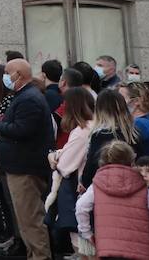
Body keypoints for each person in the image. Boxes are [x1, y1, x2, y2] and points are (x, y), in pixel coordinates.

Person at [0, 58, 54, 260]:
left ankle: (40, 256)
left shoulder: (29, 99)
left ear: (18, 74)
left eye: (7, 73)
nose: (5, 77)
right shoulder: (23, 96)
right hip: (20, 166)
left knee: (30, 219)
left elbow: (21, 130)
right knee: (25, 220)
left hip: (25, 169)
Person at [76, 140, 149, 259]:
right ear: (131, 159)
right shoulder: (141, 184)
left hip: (108, 248)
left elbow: (81, 207)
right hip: (139, 248)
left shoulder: (97, 184)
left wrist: (86, 233)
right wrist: (147, 232)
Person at [49, 87, 96, 251]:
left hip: (78, 188)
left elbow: (65, 166)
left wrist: (53, 157)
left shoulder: (81, 131)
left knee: (81, 244)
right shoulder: (95, 125)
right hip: (89, 187)